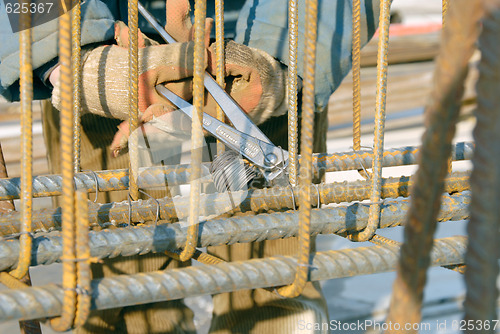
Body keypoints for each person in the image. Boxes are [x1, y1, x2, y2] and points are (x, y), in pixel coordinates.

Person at [0, 0, 379, 333]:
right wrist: (68, 58)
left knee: (275, 296)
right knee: (122, 302)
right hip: (104, 83)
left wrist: (289, 57)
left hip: (254, 79)